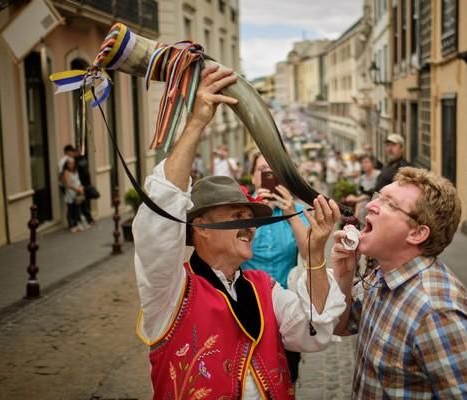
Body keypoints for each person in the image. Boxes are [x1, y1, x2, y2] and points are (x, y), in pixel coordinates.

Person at [132, 65, 346, 399]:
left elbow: (313, 332)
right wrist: (198, 122)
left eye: (251, 217)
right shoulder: (170, 291)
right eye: (237, 216)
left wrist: (316, 252)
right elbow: (160, 217)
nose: (250, 226)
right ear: (200, 226)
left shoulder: (266, 289)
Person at [332, 167, 467, 398]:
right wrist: (344, 274)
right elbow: (340, 325)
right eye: (378, 196)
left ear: (417, 234)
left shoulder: (438, 314)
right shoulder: (383, 275)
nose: (371, 205)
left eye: (390, 204)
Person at [242, 152, 310, 384]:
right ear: (253, 177)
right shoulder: (241, 212)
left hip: (286, 312)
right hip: (246, 308)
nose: (269, 176)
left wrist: (290, 213)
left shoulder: (297, 211)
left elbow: (309, 252)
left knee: (287, 373)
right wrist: (255, 212)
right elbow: (235, 251)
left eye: (275, 172)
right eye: (263, 170)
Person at [62, 157, 86, 232]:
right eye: (69, 163)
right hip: (70, 194)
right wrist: (77, 189)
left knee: (77, 209)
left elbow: (78, 181)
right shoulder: (66, 172)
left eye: (72, 163)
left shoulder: (75, 171)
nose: (71, 165)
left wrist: (81, 187)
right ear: (66, 164)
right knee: (70, 209)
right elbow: (68, 184)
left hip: (77, 193)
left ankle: (76, 224)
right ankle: (71, 225)